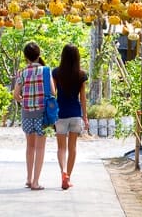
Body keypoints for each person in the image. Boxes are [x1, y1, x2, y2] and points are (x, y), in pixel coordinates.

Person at [12, 41, 54, 191]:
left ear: (25, 57)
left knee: (29, 146)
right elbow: (53, 93)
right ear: (39, 55)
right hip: (43, 114)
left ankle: (29, 179)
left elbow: (15, 94)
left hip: (27, 113)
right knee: (40, 148)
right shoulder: (46, 71)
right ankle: (36, 182)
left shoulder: (22, 73)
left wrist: (25, 101)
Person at [52, 43, 89, 190]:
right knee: (72, 147)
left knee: (61, 148)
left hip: (60, 114)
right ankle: (68, 177)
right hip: (75, 114)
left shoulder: (56, 73)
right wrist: (85, 116)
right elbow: (83, 98)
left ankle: (63, 173)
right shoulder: (81, 75)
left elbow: (52, 94)